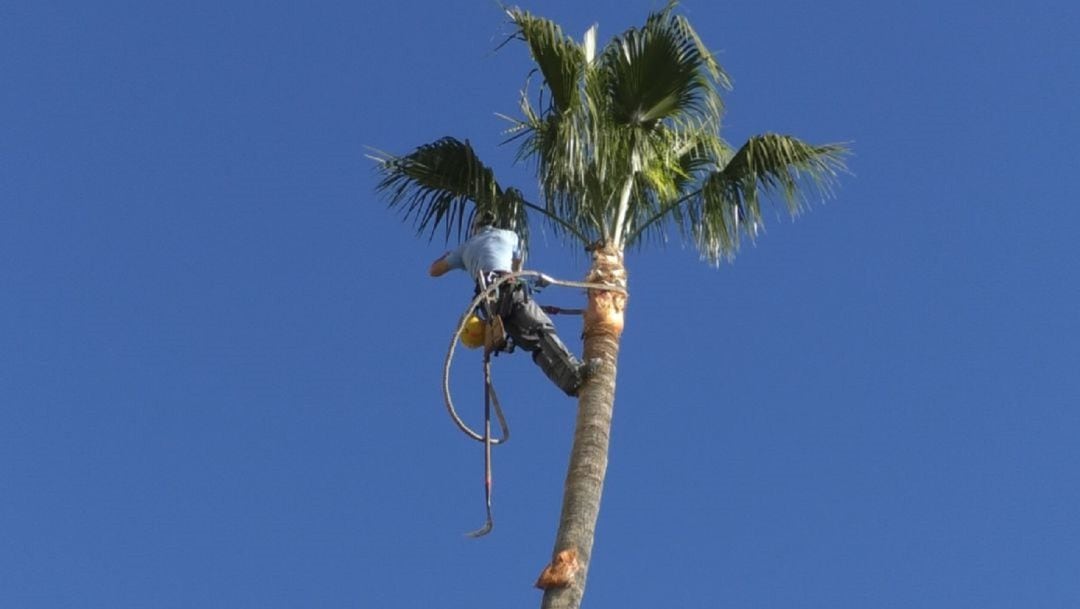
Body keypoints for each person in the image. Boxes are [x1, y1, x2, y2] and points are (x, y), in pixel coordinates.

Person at [429, 212, 594, 397]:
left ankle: (569, 384)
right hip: (508, 290)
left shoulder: (465, 247)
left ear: (474, 228)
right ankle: (575, 372)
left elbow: (434, 270)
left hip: (490, 306)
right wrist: (526, 284)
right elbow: (517, 268)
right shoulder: (509, 235)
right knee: (541, 328)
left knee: (533, 345)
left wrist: (446, 256)